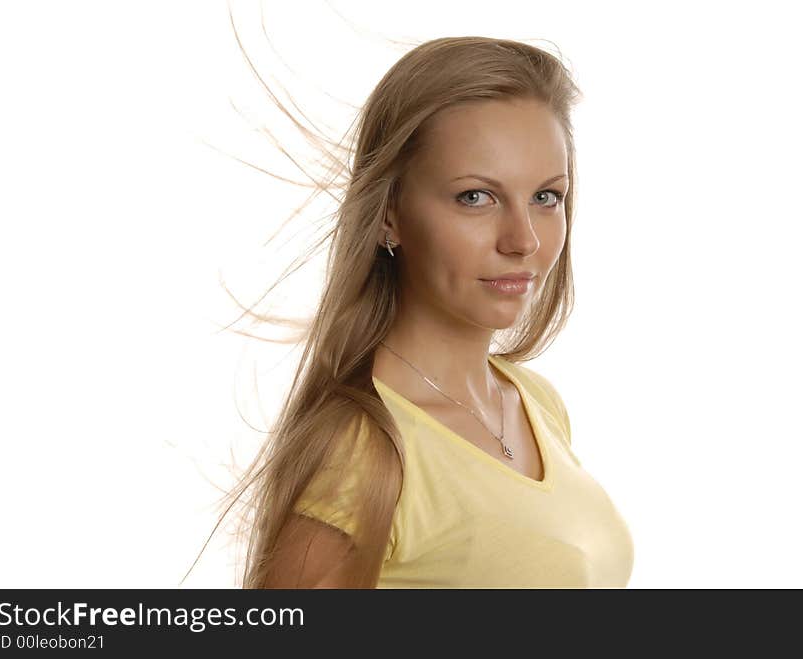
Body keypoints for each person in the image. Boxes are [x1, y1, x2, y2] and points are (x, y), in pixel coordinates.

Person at [204, 35, 634, 589]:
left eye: (546, 197)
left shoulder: (536, 404)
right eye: (475, 197)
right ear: (389, 215)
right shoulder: (361, 448)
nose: (523, 239)